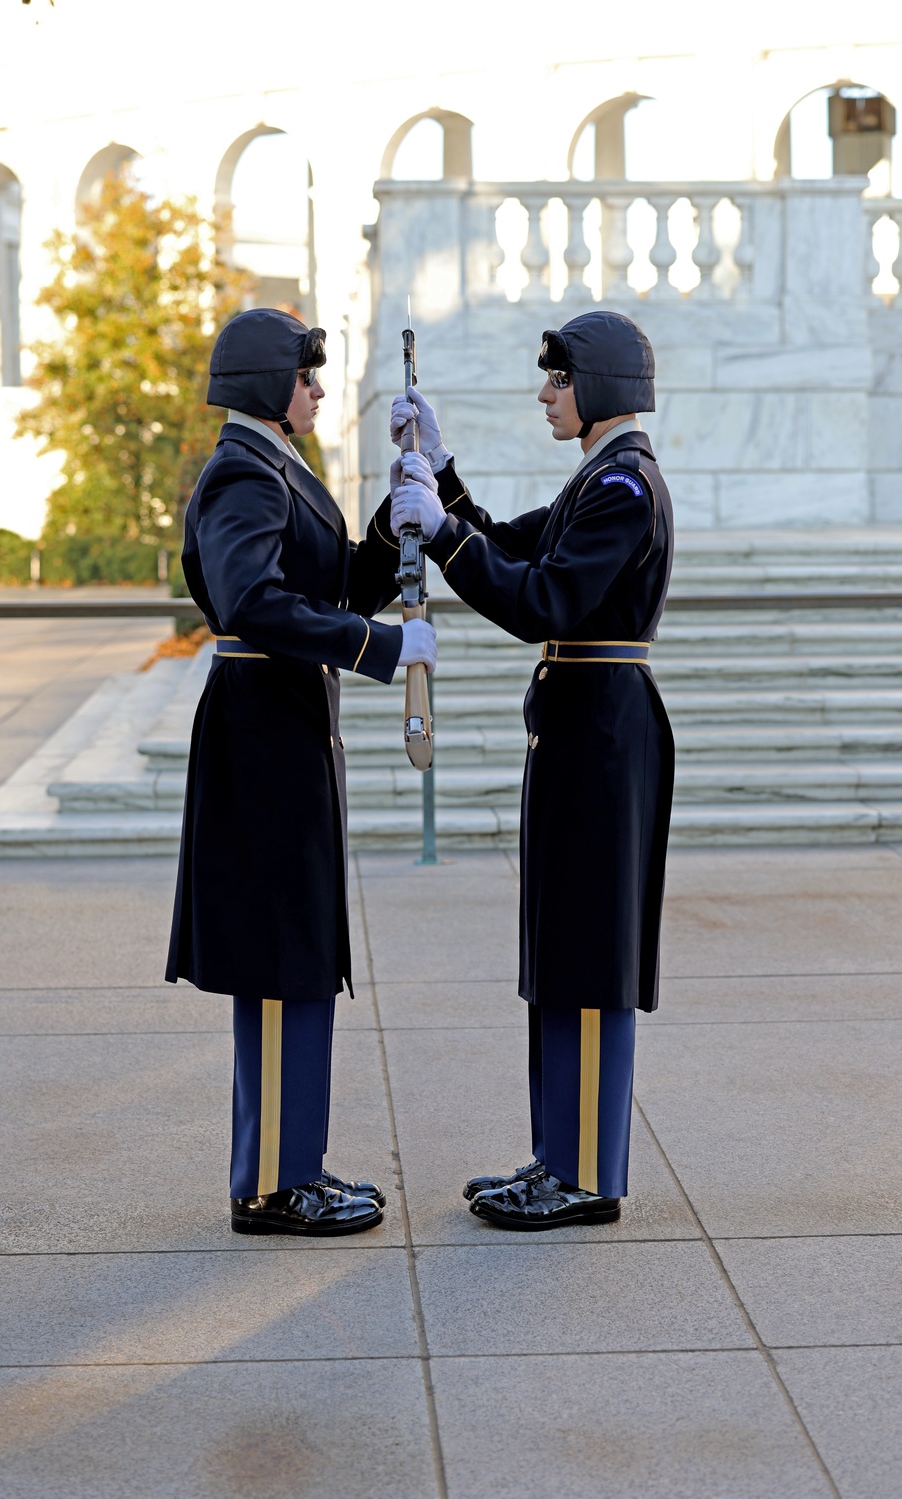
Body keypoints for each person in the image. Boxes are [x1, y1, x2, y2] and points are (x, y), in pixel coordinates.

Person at [389, 309, 674, 1229]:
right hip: (577, 734)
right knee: (562, 946)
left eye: (557, 380)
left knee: (589, 952)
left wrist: (439, 534)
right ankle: (558, 1151)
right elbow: (509, 543)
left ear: (598, 389)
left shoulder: (624, 487)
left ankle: (587, 1171)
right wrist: (442, 475)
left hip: (601, 742)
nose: (545, 394)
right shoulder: (597, 478)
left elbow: (540, 597)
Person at [166, 307, 437, 1236]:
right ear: (266, 384)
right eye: (307, 375)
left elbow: (323, 582)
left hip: (284, 731)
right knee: (282, 960)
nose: (320, 389)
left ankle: (292, 1166)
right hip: (263, 738)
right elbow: (254, 602)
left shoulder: (275, 465)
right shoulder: (244, 471)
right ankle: (277, 1185)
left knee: (299, 955)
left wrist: (400, 513)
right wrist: (379, 645)